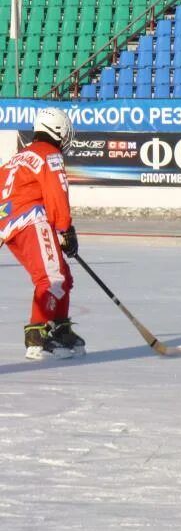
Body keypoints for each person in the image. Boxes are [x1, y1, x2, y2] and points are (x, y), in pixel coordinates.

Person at [0, 107, 85, 360]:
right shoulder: (50, 154)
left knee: (62, 276)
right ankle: (37, 336)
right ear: (58, 130)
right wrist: (65, 228)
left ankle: (59, 327)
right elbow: (56, 192)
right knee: (51, 278)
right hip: (31, 220)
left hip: (10, 226)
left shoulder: (17, 157)